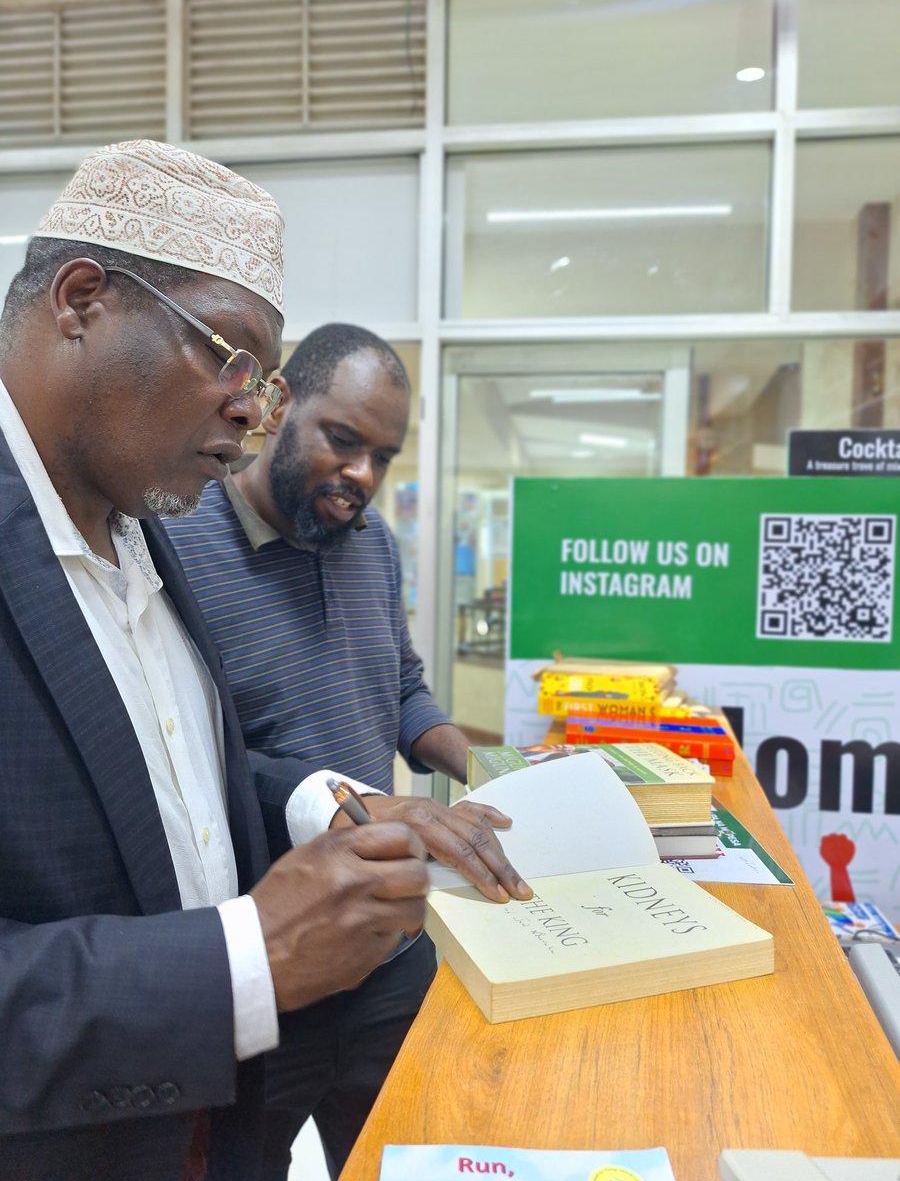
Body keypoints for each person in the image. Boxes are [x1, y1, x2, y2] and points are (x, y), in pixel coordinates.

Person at [0, 141, 526, 1181]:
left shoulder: (139, 525)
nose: (248, 410)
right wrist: (251, 957)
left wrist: (329, 802)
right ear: (81, 299)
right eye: (225, 354)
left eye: (266, 380)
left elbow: (174, 780)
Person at [165, 324, 532, 1179]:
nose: (362, 476)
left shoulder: (372, 546)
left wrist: (492, 766)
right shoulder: (174, 549)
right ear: (280, 404)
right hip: (274, 957)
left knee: (403, 1155)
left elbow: (400, 688)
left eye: (384, 456)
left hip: (395, 945)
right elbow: (185, 760)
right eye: (344, 440)